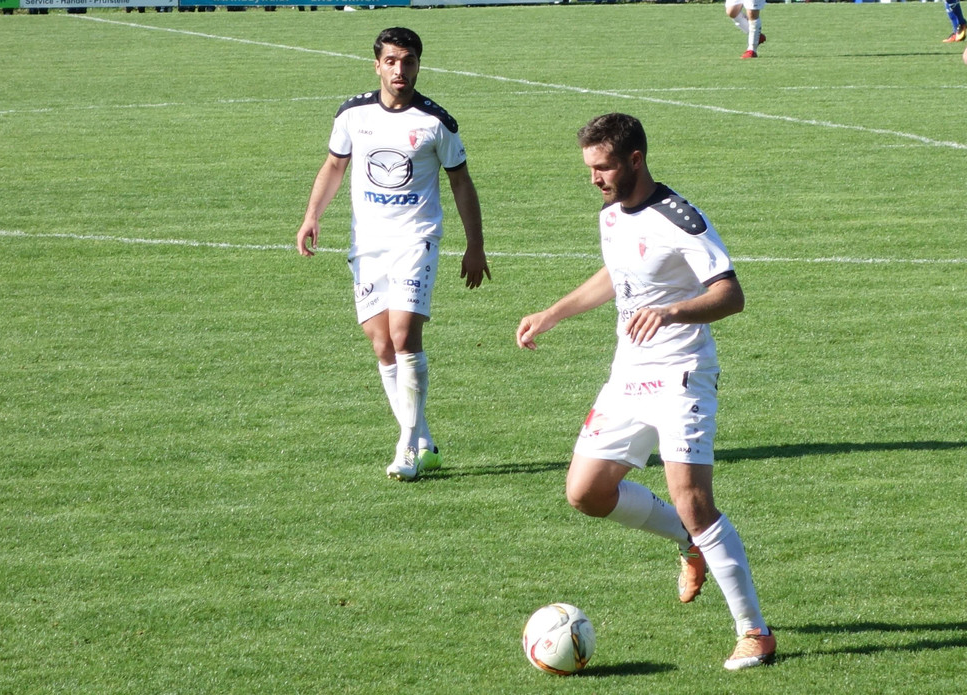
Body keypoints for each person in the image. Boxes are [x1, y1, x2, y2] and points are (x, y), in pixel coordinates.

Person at [515, 113, 775, 670]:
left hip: (681, 372)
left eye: (603, 167)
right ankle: (688, 541)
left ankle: (754, 632)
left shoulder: (680, 219)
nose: (594, 178)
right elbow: (618, 274)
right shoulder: (611, 212)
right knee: (586, 492)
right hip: (629, 374)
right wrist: (553, 313)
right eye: (589, 168)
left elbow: (731, 295)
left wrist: (672, 311)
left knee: (694, 501)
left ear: (635, 159)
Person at [297, 27, 490, 482]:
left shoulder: (436, 122)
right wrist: (311, 216)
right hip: (367, 243)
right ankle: (424, 441)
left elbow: (461, 182)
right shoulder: (352, 114)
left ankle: (406, 448)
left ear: (419, 65)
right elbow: (334, 165)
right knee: (381, 344)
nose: (400, 69)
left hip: (415, 239)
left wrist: (475, 244)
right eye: (391, 61)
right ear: (377, 66)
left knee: (404, 337)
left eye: (408, 61)